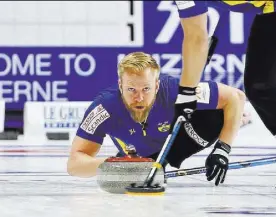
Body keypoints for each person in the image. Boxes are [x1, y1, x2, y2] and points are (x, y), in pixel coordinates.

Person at [173, 0, 276, 193]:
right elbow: (199, 32)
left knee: (265, 87)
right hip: (270, 6)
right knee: (261, 86)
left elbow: (196, 38)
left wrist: (187, 93)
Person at [67, 51, 246, 186]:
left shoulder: (173, 90)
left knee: (216, 116)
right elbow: (74, 163)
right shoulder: (103, 108)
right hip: (139, 156)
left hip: (180, 139)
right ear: (120, 85)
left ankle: (240, 120)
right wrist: (112, 164)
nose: (139, 98)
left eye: (146, 89)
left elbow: (235, 97)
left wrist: (222, 149)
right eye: (131, 90)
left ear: (157, 85)